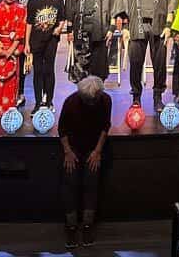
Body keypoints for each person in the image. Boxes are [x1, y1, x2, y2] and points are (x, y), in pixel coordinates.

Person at [114, 0, 179, 112]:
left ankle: (158, 97)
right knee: (136, 63)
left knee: (159, 64)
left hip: (159, 26)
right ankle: (136, 97)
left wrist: (168, 26)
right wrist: (125, 28)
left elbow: (172, 4)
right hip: (136, 25)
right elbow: (124, 4)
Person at [59, 76, 112, 249]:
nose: (91, 103)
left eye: (93, 101)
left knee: (92, 181)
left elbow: (105, 127)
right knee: (70, 181)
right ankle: (71, 225)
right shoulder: (71, 102)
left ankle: (88, 224)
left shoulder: (105, 100)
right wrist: (67, 151)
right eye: (88, 101)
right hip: (73, 146)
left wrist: (97, 151)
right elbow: (62, 129)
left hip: (93, 146)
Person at [25, 0, 66, 109]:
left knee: (49, 69)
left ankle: (49, 101)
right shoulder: (33, 1)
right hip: (36, 40)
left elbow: (62, 18)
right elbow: (29, 23)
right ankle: (38, 103)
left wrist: (59, 28)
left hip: (51, 40)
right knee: (38, 71)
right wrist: (26, 43)